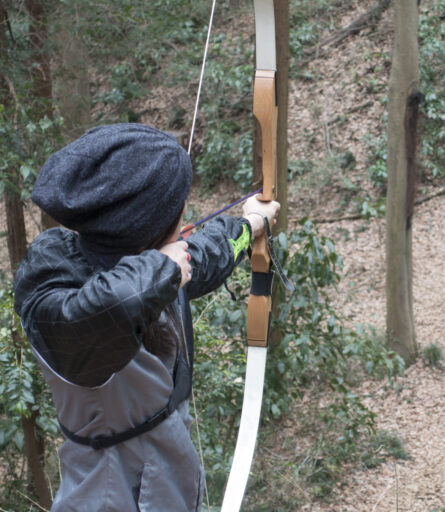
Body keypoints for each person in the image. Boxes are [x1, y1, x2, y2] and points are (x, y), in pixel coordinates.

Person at [12, 123, 280, 512]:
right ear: (145, 229)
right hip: (108, 496)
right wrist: (165, 270)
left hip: (167, 483)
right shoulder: (62, 301)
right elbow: (114, 305)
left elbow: (204, 253)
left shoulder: (145, 269)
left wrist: (251, 224)